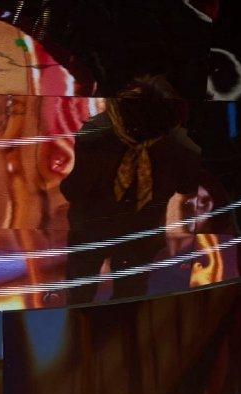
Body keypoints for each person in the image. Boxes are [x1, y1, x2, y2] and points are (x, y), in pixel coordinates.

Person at [59, 74, 201, 304]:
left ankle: (83, 318)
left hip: (98, 229)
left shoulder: (96, 134)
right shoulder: (179, 145)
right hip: (135, 233)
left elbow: (75, 189)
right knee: (127, 293)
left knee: (83, 290)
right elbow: (187, 185)